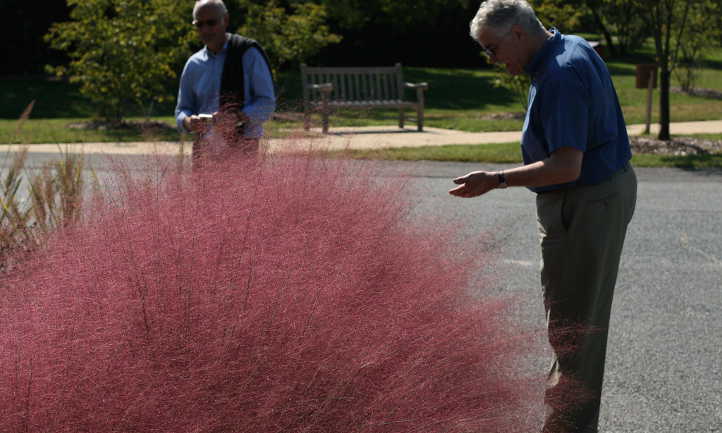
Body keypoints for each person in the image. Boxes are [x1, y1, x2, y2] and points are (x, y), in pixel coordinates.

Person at [449, 1, 637, 432]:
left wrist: (494, 179)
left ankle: (566, 427)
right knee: (576, 326)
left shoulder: (560, 75)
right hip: (596, 196)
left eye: (493, 48)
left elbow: (565, 166)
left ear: (517, 33)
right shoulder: (566, 47)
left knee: (574, 333)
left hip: (585, 202)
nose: (492, 60)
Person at [175, 0, 275, 163]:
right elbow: (182, 109)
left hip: (243, 146)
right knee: (202, 190)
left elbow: (267, 103)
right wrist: (188, 121)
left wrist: (237, 117)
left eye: (211, 22)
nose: (205, 29)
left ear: (226, 20)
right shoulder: (193, 64)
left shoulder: (248, 54)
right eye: (199, 24)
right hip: (204, 148)